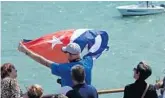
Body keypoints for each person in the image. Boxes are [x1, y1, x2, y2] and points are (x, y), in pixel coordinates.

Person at [18, 42, 93, 87]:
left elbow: (43, 61)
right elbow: (91, 52)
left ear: (70, 55)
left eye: (66, 53)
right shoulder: (88, 63)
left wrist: (25, 51)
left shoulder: (64, 68)